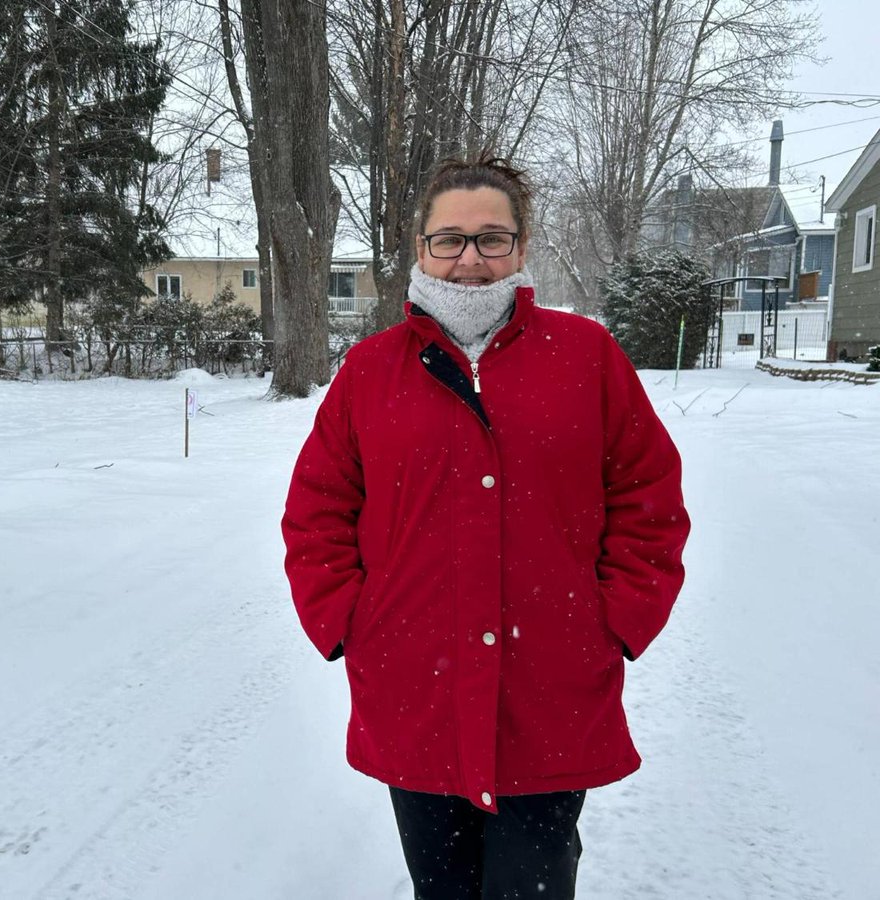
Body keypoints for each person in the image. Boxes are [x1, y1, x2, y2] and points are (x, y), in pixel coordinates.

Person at [281, 155, 690, 899]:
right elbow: (317, 513)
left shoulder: (587, 357)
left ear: (522, 245)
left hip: (552, 694)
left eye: (491, 238)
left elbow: (648, 499)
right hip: (415, 693)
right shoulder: (371, 372)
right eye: (451, 239)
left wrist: (617, 621)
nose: (470, 258)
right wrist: (350, 623)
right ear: (421, 248)